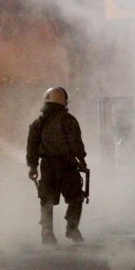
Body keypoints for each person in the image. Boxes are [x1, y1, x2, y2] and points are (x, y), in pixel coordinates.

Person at [27, 87, 88, 245]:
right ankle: (72, 229)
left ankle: (47, 234)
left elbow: (31, 147)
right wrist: (82, 160)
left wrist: (32, 167)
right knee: (76, 198)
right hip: (67, 165)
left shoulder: (37, 123)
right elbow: (76, 143)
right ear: (62, 100)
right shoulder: (68, 120)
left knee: (46, 200)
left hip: (47, 166)